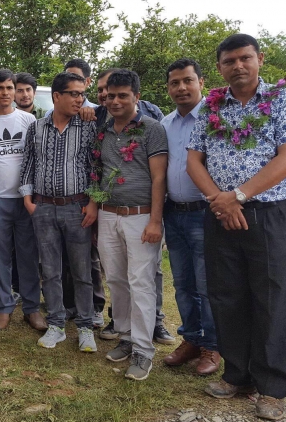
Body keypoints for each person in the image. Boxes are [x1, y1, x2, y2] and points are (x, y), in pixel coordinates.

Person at [187, 33, 286, 420]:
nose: (237, 66)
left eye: (245, 58)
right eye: (229, 61)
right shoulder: (211, 105)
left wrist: (237, 196)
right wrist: (220, 202)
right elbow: (194, 161)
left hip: (269, 215)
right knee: (227, 296)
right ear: (219, 67)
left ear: (260, 59)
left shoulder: (283, 99)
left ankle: (272, 389)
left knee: (271, 299)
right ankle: (237, 375)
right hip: (220, 214)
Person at [96, 70, 168, 381]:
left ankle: (143, 350)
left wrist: (155, 220)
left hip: (141, 216)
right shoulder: (103, 130)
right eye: (110, 95)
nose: (115, 101)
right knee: (116, 279)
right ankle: (125, 337)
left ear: (137, 97)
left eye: (122, 95)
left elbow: (159, 178)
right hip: (108, 215)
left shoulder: (152, 129)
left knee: (141, 283)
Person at [20, 72, 98, 350]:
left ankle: (86, 327)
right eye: (74, 94)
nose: (80, 99)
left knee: (82, 271)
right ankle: (56, 324)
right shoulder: (36, 128)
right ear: (56, 96)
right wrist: (28, 199)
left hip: (77, 208)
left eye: (82, 94)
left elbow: (97, 167)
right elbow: (28, 164)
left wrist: (93, 203)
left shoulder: (88, 126)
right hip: (43, 208)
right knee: (50, 270)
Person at [0, 69, 46, 332]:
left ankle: (32, 308)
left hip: (25, 201)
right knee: (0, 257)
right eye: (0, 88)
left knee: (28, 256)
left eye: (9, 87)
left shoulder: (28, 120)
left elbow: (37, 159)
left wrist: (33, 196)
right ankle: (4, 307)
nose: (5, 92)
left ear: (15, 91)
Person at [159, 59, 220, 375]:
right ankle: (192, 339)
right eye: (175, 83)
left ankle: (212, 345)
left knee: (207, 284)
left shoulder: (215, 118)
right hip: (174, 213)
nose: (181, 88)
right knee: (183, 283)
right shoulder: (165, 123)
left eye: (187, 81)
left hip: (205, 213)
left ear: (201, 82)